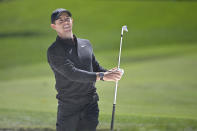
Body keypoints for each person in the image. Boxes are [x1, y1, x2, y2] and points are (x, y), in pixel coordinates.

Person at [47, 8, 124, 131]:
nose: (65, 22)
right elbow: (72, 73)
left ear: (72, 21)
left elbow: (95, 67)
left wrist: (110, 73)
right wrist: (102, 76)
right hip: (69, 107)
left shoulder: (86, 44)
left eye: (67, 19)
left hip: (90, 105)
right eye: (60, 21)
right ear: (53, 26)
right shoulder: (54, 51)